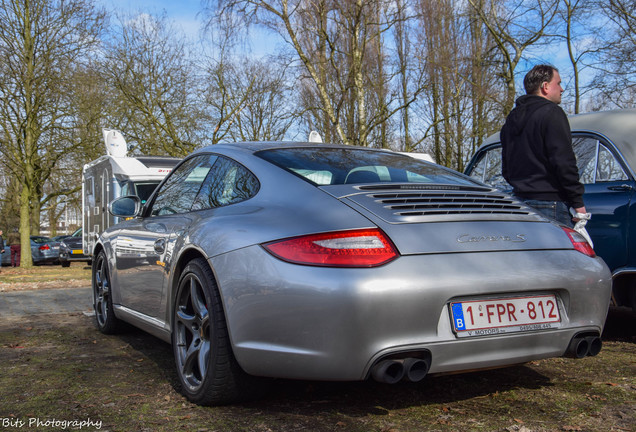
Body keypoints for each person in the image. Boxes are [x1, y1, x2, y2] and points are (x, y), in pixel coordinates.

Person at [500, 64, 586, 227]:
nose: (562, 89)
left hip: (519, 203)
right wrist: (577, 201)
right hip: (550, 203)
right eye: (558, 83)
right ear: (545, 86)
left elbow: (506, 167)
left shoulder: (511, 119)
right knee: (560, 253)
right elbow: (563, 161)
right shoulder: (552, 112)